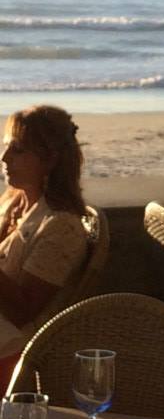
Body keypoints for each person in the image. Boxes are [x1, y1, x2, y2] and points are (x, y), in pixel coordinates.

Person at [0, 105, 88, 366]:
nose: (4, 158)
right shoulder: (15, 202)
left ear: (49, 160)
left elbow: (23, 312)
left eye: (17, 150)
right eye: (5, 147)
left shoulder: (62, 227)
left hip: (14, 347)